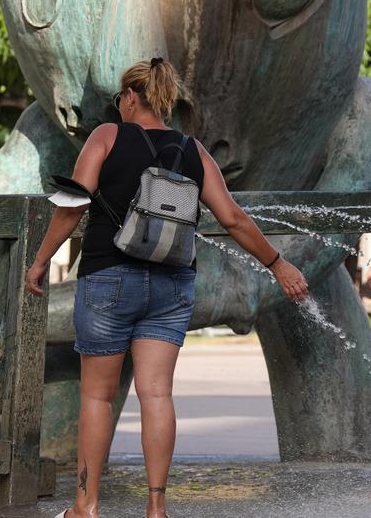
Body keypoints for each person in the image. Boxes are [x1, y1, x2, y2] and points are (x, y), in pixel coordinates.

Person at [25, 59, 309, 518]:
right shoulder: (192, 150)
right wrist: (278, 264)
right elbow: (233, 218)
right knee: (157, 395)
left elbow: (73, 205)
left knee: (96, 396)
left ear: (131, 98)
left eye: (119, 100)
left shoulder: (105, 137)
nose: (118, 107)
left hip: (109, 279)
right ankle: (156, 510)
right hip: (171, 284)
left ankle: (86, 506)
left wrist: (40, 261)